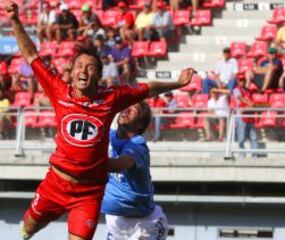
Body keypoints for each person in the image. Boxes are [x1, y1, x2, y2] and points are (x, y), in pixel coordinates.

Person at [4, 1, 195, 239]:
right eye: (80, 66)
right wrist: (15, 20)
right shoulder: (59, 91)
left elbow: (149, 88)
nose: (84, 70)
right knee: (28, 228)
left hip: (88, 193)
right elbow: (32, 55)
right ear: (72, 72)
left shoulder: (112, 98)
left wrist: (177, 83)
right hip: (55, 183)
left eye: (91, 67)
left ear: (99, 75)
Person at [101, 102, 168, 239]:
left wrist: (85, 160)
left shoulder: (137, 146)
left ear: (140, 124)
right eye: (126, 106)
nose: (126, 109)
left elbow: (119, 165)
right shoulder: (107, 135)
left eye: (133, 110)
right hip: (116, 222)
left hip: (146, 225)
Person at [214, 78, 259, 158]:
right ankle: (242, 154)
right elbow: (240, 98)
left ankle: (254, 155)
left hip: (249, 114)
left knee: (253, 136)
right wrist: (250, 104)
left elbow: (252, 100)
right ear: (238, 82)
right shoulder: (236, 90)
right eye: (241, 81)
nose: (242, 82)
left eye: (244, 81)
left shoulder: (248, 91)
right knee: (241, 136)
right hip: (241, 115)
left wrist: (251, 104)